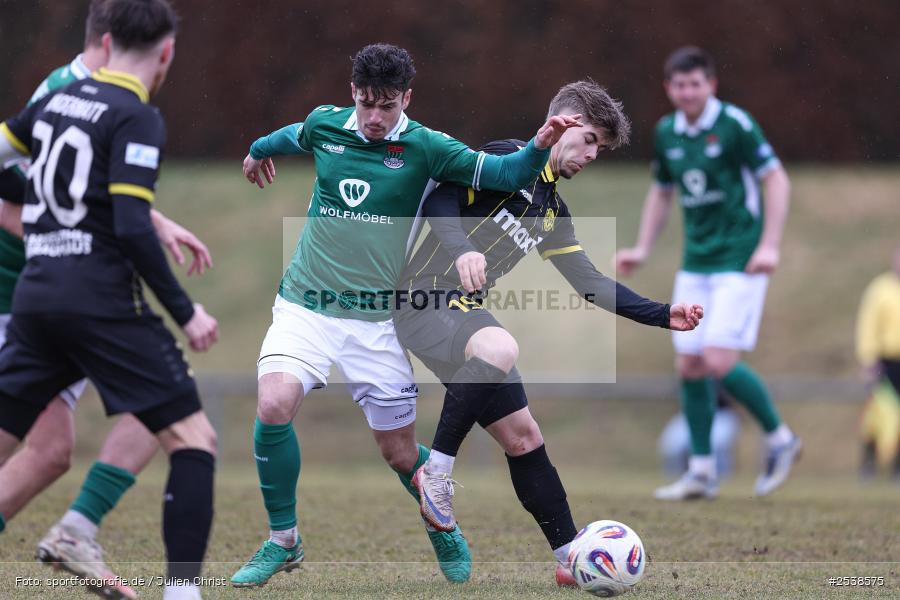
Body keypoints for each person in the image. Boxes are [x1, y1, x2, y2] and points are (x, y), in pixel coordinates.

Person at [232, 43, 581, 587]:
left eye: (387, 105)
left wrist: (539, 144)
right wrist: (256, 150)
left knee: (397, 451)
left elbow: (508, 172)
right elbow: (290, 135)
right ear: (354, 93)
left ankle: (441, 524)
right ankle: (284, 540)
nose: (375, 117)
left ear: (406, 99)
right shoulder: (325, 125)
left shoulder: (427, 147)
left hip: (376, 321)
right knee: (275, 403)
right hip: (308, 305)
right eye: (367, 103)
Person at [391, 79, 702, 585]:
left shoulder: (551, 210)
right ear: (566, 124)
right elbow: (440, 201)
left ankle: (568, 556)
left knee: (524, 436)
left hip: (456, 314)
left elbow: (591, 284)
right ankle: (437, 473)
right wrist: (461, 250)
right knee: (500, 345)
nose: (593, 154)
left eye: (599, 148)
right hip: (421, 299)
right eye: (592, 141)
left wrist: (664, 315)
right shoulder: (508, 159)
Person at [0, 2, 218, 599]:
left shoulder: (52, 100)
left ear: (107, 39)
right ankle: (182, 592)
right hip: (96, 301)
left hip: (36, 296)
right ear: (166, 52)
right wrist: (187, 310)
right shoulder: (136, 116)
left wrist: (47, 225)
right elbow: (126, 225)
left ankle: (78, 529)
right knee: (193, 439)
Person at [613, 46, 800, 500]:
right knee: (690, 364)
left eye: (696, 83)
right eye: (679, 85)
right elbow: (661, 192)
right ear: (669, 88)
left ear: (710, 85)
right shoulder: (667, 132)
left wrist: (770, 245)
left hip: (740, 259)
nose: (687, 92)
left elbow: (776, 179)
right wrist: (642, 247)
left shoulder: (734, 124)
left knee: (718, 360)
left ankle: (781, 438)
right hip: (696, 263)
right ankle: (701, 471)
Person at [855, 244, 900, 479]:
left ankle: (897, 468)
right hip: (886, 362)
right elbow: (868, 326)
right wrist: (868, 359)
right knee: (876, 415)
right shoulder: (880, 289)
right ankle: (869, 464)